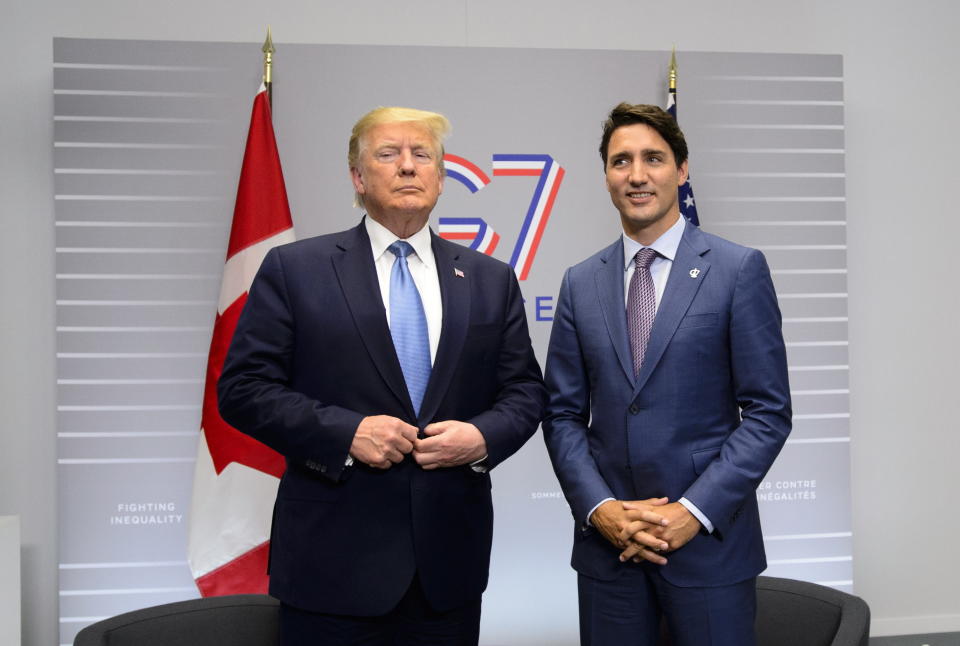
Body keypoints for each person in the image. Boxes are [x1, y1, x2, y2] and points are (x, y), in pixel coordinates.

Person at [218, 106, 546, 645]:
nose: (408, 167)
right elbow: (243, 390)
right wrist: (345, 433)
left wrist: (483, 436)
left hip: (447, 574)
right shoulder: (295, 269)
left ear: (441, 177)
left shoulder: (490, 278)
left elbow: (525, 391)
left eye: (423, 155)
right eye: (388, 154)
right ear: (358, 176)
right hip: (330, 570)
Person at [542, 102, 792, 646]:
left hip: (708, 549)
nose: (636, 175)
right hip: (609, 553)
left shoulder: (737, 269)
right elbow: (560, 414)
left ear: (682, 170)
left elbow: (768, 413)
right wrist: (601, 509)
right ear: (606, 175)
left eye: (653, 158)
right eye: (620, 161)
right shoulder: (580, 282)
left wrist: (692, 511)